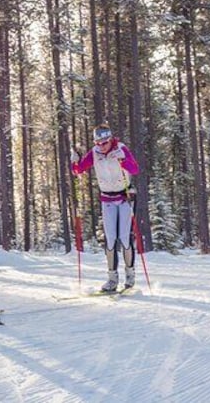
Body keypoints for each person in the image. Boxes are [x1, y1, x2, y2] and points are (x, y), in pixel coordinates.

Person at [70, 123, 140, 293]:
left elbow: (135, 169)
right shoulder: (94, 153)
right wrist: (74, 162)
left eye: (104, 143)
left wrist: (122, 160)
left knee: (124, 238)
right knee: (110, 239)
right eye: (98, 143)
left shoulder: (121, 148)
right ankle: (112, 279)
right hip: (106, 199)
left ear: (110, 140)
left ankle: (130, 276)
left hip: (124, 198)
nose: (101, 146)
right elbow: (79, 170)